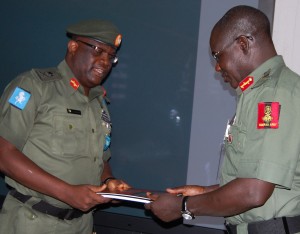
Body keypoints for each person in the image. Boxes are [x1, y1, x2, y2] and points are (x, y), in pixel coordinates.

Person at [145, 5, 300, 234]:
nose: (217, 67)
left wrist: (183, 207)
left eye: (217, 56)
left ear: (243, 44)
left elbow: (254, 191)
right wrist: (203, 192)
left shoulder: (273, 96)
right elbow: (255, 179)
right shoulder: (259, 93)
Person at [0, 19, 130, 234]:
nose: (105, 61)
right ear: (73, 46)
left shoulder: (99, 103)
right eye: (98, 51)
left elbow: (99, 159)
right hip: (33, 222)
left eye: (110, 56)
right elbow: (4, 153)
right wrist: (68, 193)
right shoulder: (34, 87)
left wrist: (108, 182)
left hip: (82, 224)